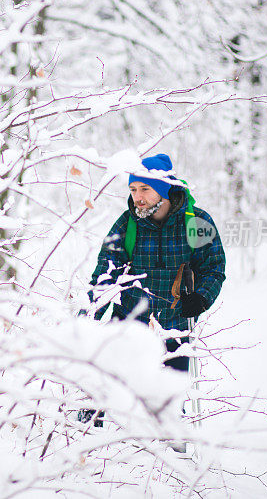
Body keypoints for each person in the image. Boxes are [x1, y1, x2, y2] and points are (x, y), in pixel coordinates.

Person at [86, 153, 226, 372]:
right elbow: (106, 273)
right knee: (111, 395)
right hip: (128, 328)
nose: (137, 197)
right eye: (133, 190)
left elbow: (214, 268)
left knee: (167, 402)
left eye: (145, 189)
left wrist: (201, 297)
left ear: (163, 189)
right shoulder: (127, 224)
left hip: (176, 331)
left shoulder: (196, 221)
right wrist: (87, 317)